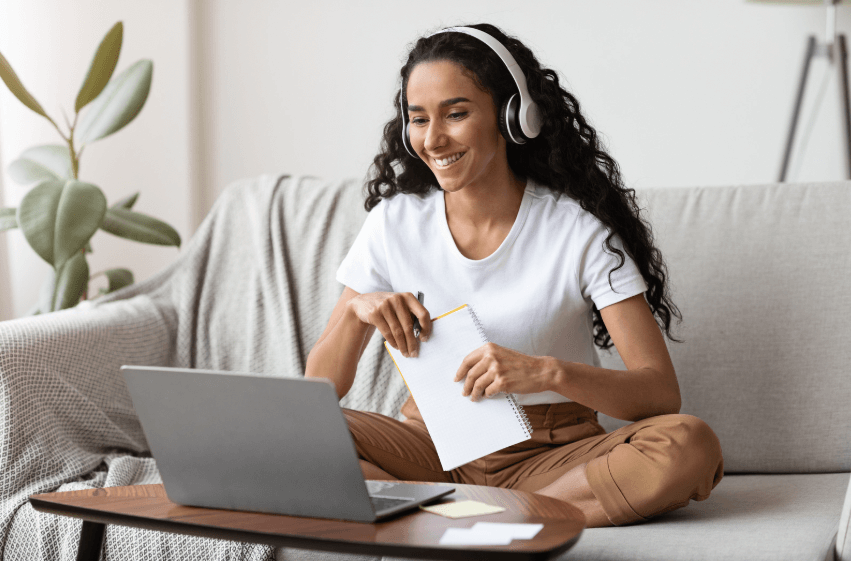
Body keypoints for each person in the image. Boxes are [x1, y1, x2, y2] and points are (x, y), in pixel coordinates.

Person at [304, 23, 723, 528]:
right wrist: (357, 310)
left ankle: (463, 517)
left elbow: (659, 394)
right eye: (418, 119)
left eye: (455, 114)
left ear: (513, 118)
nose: (433, 139)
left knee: (688, 444)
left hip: (549, 455)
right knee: (293, 432)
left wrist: (548, 373)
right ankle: (480, 514)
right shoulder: (394, 222)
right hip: (430, 442)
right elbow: (319, 389)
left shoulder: (577, 232)